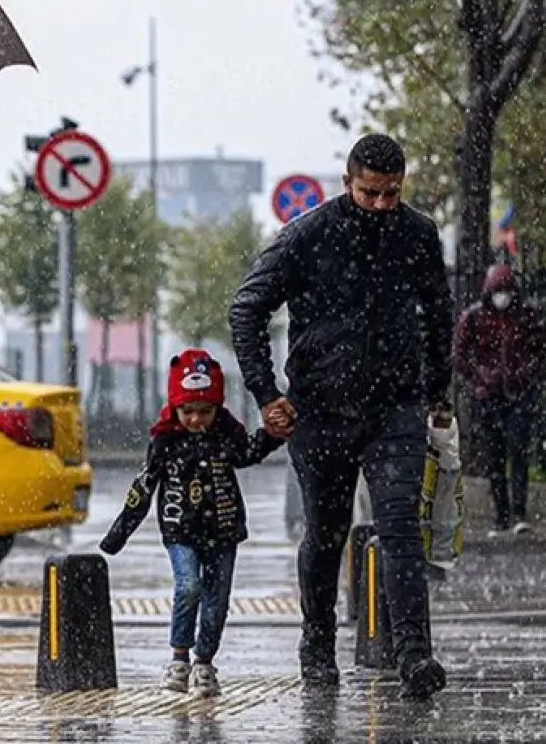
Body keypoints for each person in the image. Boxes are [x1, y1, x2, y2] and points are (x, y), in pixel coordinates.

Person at [228, 133, 454, 700]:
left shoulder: (417, 235)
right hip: (321, 410)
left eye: (391, 195)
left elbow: (439, 310)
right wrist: (266, 393)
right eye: (370, 193)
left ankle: (414, 655)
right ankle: (317, 644)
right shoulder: (307, 236)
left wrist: (437, 389)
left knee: (401, 527)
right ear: (347, 182)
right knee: (325, 536)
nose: (381, 205)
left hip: (394, 406)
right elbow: (247, 308)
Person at [99, 349, 285, 697]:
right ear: (175, 408)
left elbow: (247, 454)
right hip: (179, 531)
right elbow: (143, 486)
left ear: (217, 408)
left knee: (218, 599)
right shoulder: (165, 441)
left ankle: (204, 663)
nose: (196, 419)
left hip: (223, 531)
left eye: (205, 411)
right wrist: (118, 534)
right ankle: (178, 657)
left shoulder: (226, 434)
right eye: (188, 411)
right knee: (189, 586)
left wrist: (273, 434)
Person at [452, 263, 546, 538]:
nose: (502, 297)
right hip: (489, 397)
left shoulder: (526, 317)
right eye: (498, 292)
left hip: (517, 394)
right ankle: (501, 515)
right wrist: (483, 377)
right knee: (494, 457)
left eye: (506, 291)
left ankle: (518, 512)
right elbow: (460, 356)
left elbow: (539, 352)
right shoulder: (474, 318)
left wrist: (521, 376)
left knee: (517, 450)